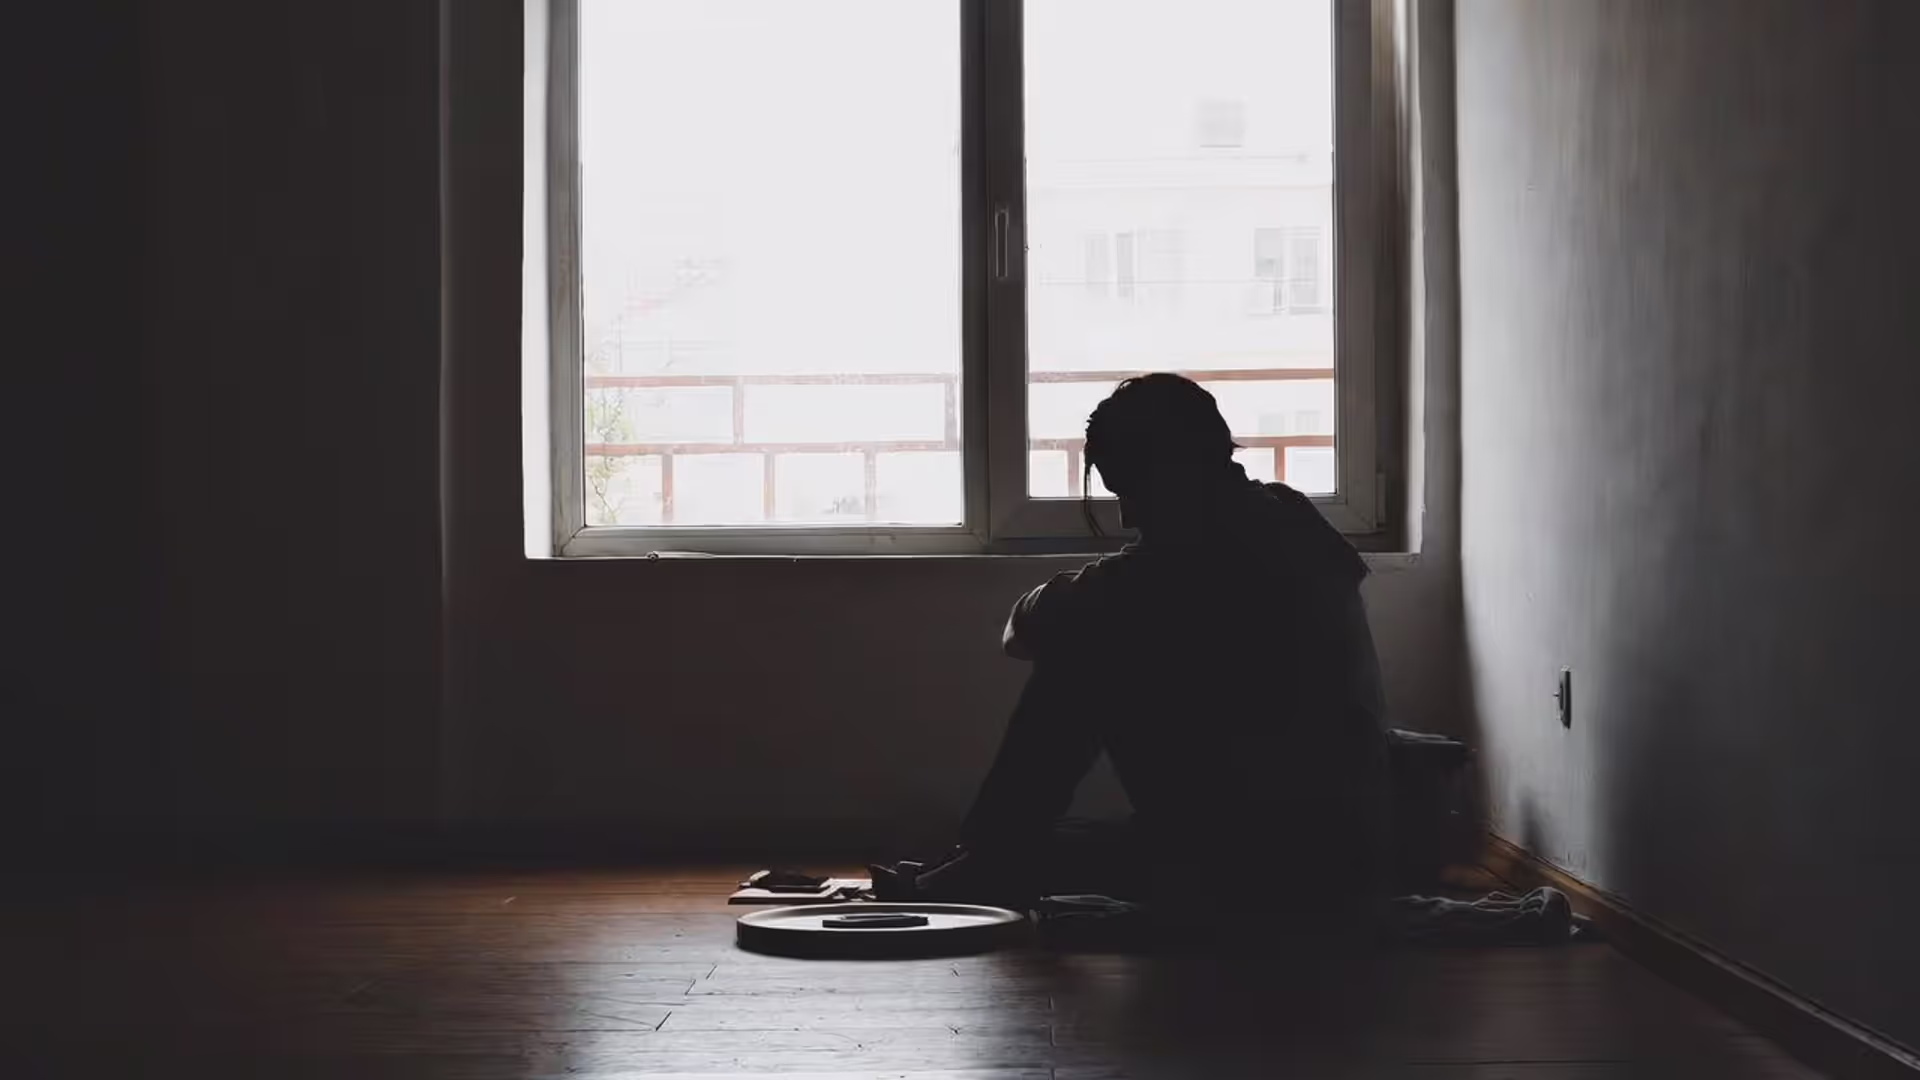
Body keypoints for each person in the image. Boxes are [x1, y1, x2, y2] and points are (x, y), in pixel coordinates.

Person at [895, 374, 1391, 925]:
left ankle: (989, 859)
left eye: (1128, 490)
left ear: (1170, 472)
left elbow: (1023, 631)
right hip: (1353, 846)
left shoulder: (1173, 566)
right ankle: (992, 856)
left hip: (1265, 861)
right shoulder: (1292, 518)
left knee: (1080, 660)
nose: (1128, 516)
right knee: (1059, 833)